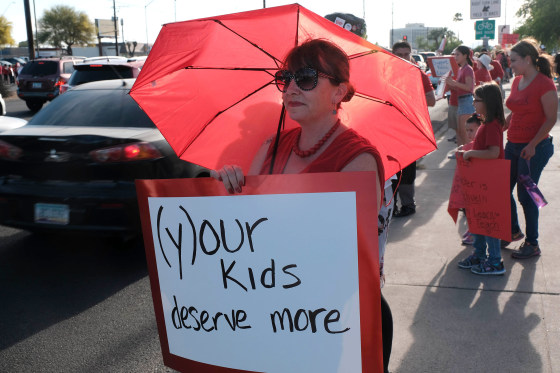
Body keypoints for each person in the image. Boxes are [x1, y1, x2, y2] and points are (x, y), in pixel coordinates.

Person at [211, 39, 392, 372]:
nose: (292, 87)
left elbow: (344, 257)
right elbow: (243, 231)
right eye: (286, 78)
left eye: (307, 77)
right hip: (271, 314)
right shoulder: (271, 145)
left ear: (340, 92)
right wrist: (226, 189)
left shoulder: (359, 158)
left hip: (327, 322)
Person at [504, 38, 557, 258]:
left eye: (514, 60)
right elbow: (516, 110)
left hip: (535, 148)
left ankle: (532, 243)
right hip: (513, 144)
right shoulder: (517, 81)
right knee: (501, 189)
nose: (511, 65)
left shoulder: (545, 84)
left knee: (527, 196)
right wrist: (499, 124)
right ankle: (512, 231)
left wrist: (533, 144)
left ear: (528, 59)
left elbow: (551, 119)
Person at [457, 82, 507, 275]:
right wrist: (467, 150)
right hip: (482, 181)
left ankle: (495, 262)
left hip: (490, 181)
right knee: (477, 219)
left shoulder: (492, 125)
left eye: (476, 100)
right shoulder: (487, 123)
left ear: (487, 102)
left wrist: (470, 155)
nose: (473, 102)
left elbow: (493, 152)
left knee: (489, 223)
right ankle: (479, 254)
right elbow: (484, 148)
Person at [391, 41, 436, 218]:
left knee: (407, 169)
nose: (403, 58)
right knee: (390, 168)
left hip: (410, 128)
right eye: (399, 55)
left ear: (411, 54)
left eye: (406, 54)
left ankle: (408, 204)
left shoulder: (419, 75)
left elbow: (431, 100)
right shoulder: (386, 74)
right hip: (389, 128)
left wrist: (409, 99)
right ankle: (390, 204)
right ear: (393, 55)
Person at [457, 114, 483, 246]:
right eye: (466, 130)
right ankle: (473, 230)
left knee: (475, 210)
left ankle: (475, 232)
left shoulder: (479, 146)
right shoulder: (471, 145)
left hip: (479, 186)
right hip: (471, 185)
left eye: (471, 130)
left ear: (481, 128)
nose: (468, 133)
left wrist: (465, 151)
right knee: (469, 209)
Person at [446, 46, 475, 148]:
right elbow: (460, 88)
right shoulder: (461, 69)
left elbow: (469, 87)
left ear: (465, 56)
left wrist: (454, 83)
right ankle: (460, 154)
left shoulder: (468, 69)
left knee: (465, 134)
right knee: (459, 132)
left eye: (457, 54)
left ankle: (468, 157)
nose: (455, 56)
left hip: (466, 101)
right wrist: (450, 85)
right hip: (461, 101)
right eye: (454, 54)